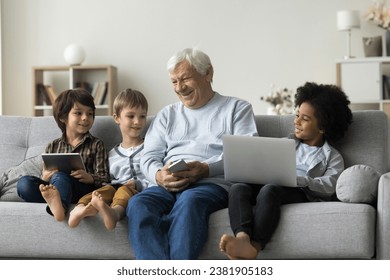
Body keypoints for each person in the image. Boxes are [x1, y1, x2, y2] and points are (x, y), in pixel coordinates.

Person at [126, 48, 258, 260]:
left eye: (185, 78)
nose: (180, 88)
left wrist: (206, 169)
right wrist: (159, 176)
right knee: (138, 203)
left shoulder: (236, 108)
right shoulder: (167, 115)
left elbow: (247, 154)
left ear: (207, 73)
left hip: (211, 185)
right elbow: (148, 157)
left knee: (190, 199)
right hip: (167, 185)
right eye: (174, 82)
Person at [219, 82, 353, 259]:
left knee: (270, 189)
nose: (296, 121)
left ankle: (256, 245)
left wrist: (300, 179)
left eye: (305, 119)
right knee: (238, 188)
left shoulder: (332, 156)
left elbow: (329, 186)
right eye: (297, 115)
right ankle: (242, 238)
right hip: (268, 182)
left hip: (298, 191)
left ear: (323, 127)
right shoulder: (283, 144)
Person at [17, 88, 110, 222]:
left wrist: (90, 178)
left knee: (61, 176)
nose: (85, 118)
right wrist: (45, 177)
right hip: (55, 187)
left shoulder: (96, 144)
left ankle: (60, 208)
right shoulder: (53, 146)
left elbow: (105, 179)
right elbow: (45, 178)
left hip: (81, 191)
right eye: (78, 113)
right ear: (62, 117)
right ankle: (55, 201)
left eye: (90, 114)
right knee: (23, 183)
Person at [68, 89, 149, 230]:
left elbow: (157, 178)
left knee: (123, 191)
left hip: (137, 192)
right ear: (117, 118)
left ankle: (114, 214)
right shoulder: (111, 155)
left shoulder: (150, 149)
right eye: (131, 116)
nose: (137, 122)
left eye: (142, 116)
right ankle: (80, 209)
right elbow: (106, 180)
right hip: (114, 189)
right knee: (99, 193)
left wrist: (138, 184)